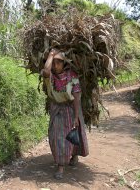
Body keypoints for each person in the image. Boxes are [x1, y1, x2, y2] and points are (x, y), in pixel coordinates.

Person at [41, 48, 89, 180]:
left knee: (68, 136)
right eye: (54, 62)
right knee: (55, 137)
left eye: (59, 62)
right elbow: (45, 71)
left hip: (70, 109)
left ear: (64, 64)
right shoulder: (50, 76)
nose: (56, 65)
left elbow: (77, 96)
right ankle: (64, 159)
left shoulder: (72, 76)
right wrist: (51, 54)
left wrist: (75, 117)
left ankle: (62, 166)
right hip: (56, 109)